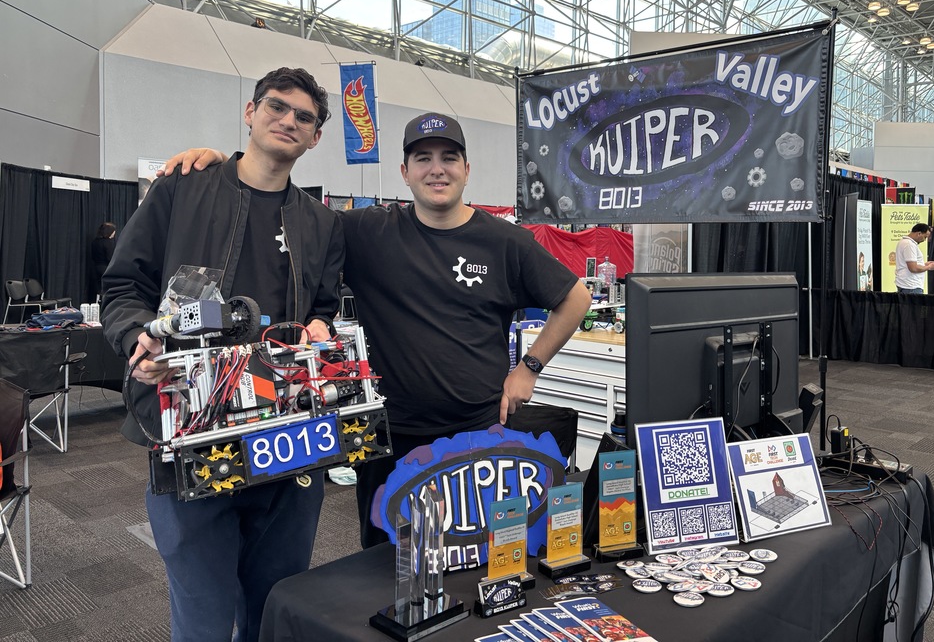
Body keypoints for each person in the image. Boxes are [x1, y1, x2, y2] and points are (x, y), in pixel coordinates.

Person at [162, 111, 593, 549]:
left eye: (449, 157)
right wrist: (225, 167)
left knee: (476, 558)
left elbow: (575, 298)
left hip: (476, 431)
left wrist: (529, 368)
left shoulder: (504, 241)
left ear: (467, 169)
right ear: (405, 173)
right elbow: (284, 212)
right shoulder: (366, 232)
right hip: (389, 435)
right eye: (422, 158)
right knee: (387, 568)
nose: (437, 169)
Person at [101, 67, 345, 642]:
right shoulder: (184, 186)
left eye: (303, 117)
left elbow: (325, 308)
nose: (287, 120)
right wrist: (138, 336)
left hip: (286, 439)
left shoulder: (323, 224)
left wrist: (318, 327)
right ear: (250, 112)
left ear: (314, 137)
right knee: (202, 612)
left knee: (275, 606)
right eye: (276, 106)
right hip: (190, 430)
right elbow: (122, 287)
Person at [894, 222, 934, 294]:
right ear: (919, 234)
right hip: (911, 287)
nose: (924, 240)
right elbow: (913, 268)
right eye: (925, 237)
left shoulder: (904, 242)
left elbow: (909, 264)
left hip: (908, 285)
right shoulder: (909, 245)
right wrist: (929, 267)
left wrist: (925, 264)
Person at [88, 222, 116, 301]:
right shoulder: (108, 243)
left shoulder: (95, 242)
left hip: (96, 269)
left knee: (99, 290)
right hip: (106, 269)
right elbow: (110, 258)